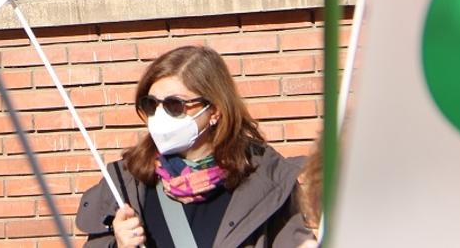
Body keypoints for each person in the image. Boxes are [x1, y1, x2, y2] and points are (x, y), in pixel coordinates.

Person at [75, 45, 313, 248]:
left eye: (174, 105)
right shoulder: (126, 182)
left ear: (214, 111)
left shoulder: (266, 179)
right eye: (151, 104)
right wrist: (118, 243)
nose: (159, 116)